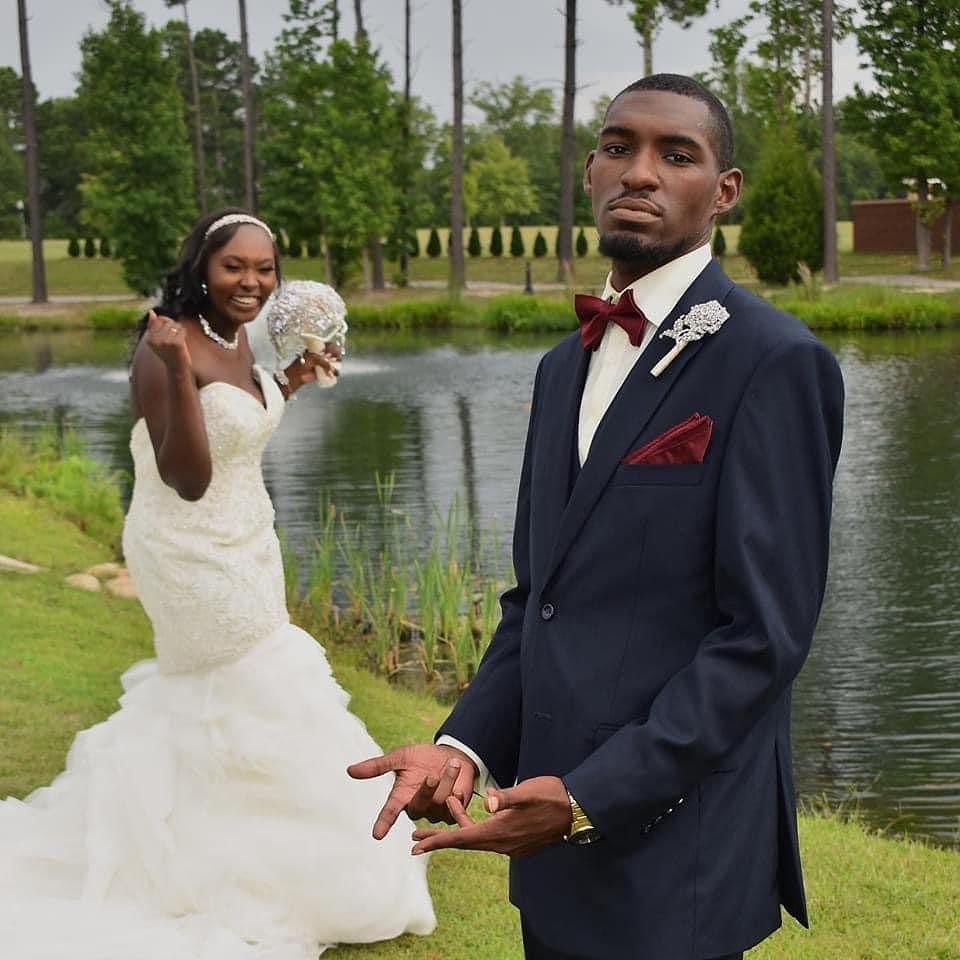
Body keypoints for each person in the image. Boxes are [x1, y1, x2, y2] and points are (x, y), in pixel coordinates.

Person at [348, 75, 845, 960]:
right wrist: (462, 744)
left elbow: (762, 639)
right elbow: (540, 599)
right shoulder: (558, 369)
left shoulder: (775, 362)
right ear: (589, 172)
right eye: (619, 147)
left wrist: (588, 796)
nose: (640, 173)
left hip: (675, 843)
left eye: (676, 154)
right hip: (548, 836)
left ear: (722, 192)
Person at [0, 208, 435, 959]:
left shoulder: (237, 341)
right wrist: (173, 366)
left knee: (226, 698)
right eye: (235, 266)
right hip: (188, 551)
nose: (253, 282)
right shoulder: (162, 347)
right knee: (261, 678)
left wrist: (291, 380)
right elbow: (190, 476)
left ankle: (226, 859)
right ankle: (231, 873)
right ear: (201, 265)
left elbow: (241, 421)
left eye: (265, 268)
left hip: (249, 542)